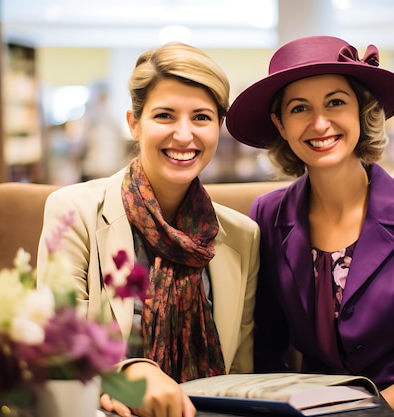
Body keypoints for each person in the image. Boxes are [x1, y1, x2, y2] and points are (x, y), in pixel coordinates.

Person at [225, 35, 394, 417]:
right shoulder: (266, 215)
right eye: (299, 109)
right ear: (280, 124)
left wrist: (368, 411)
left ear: (362, 110)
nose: (320, 123)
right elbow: (266, 347)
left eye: (336, 102)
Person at [37, 42, 259, 417]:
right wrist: (128, 371)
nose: (184, 135)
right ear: (134, 124)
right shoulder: (73, 212)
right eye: (165, 116)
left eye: (202, 117)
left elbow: (240, 374)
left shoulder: (243, 236)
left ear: (218, 128)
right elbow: (57, 351)